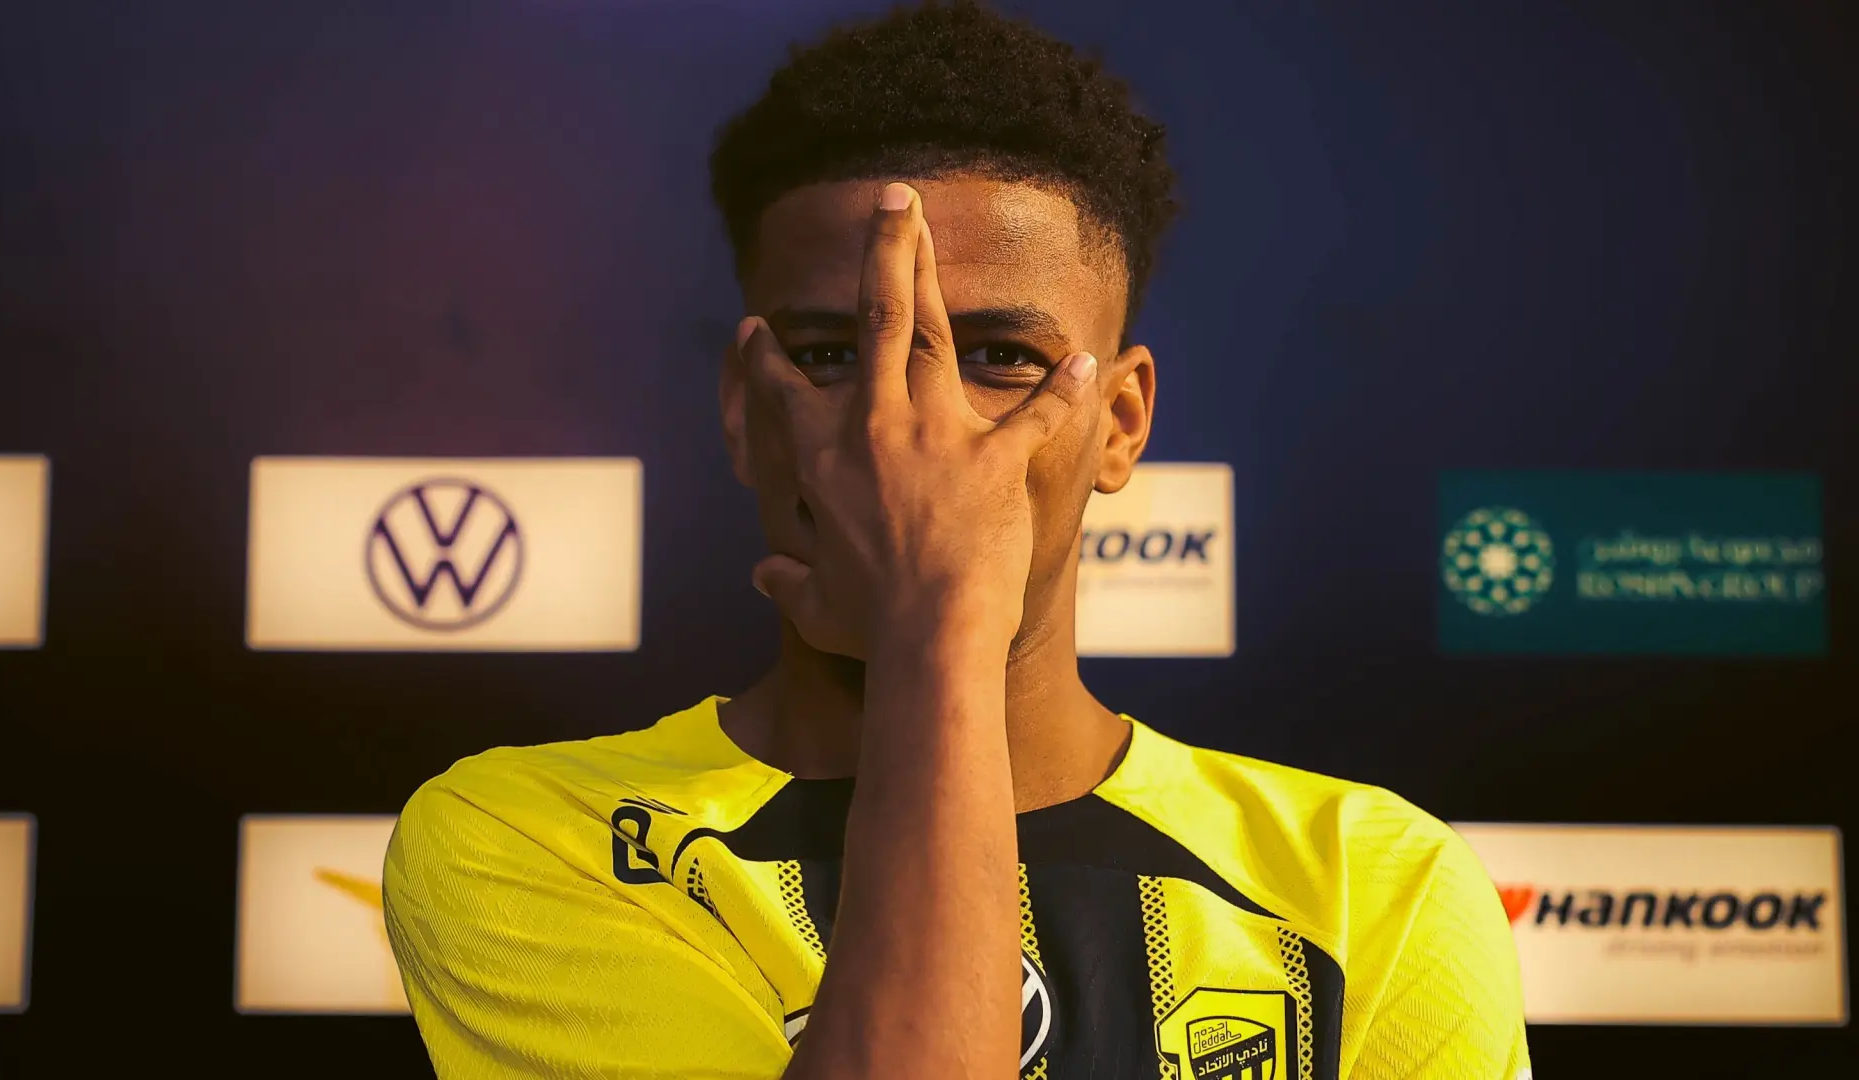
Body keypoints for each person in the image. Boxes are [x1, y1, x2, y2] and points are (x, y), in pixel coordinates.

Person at [381, 3, 1533, 1077]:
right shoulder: (536, 839)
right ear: (743, 411)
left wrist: (935, 622)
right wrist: (942, 632)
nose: (909, 428)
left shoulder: (1371, 886)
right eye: (832, 355)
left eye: (1001, 358)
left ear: (1121, 423)